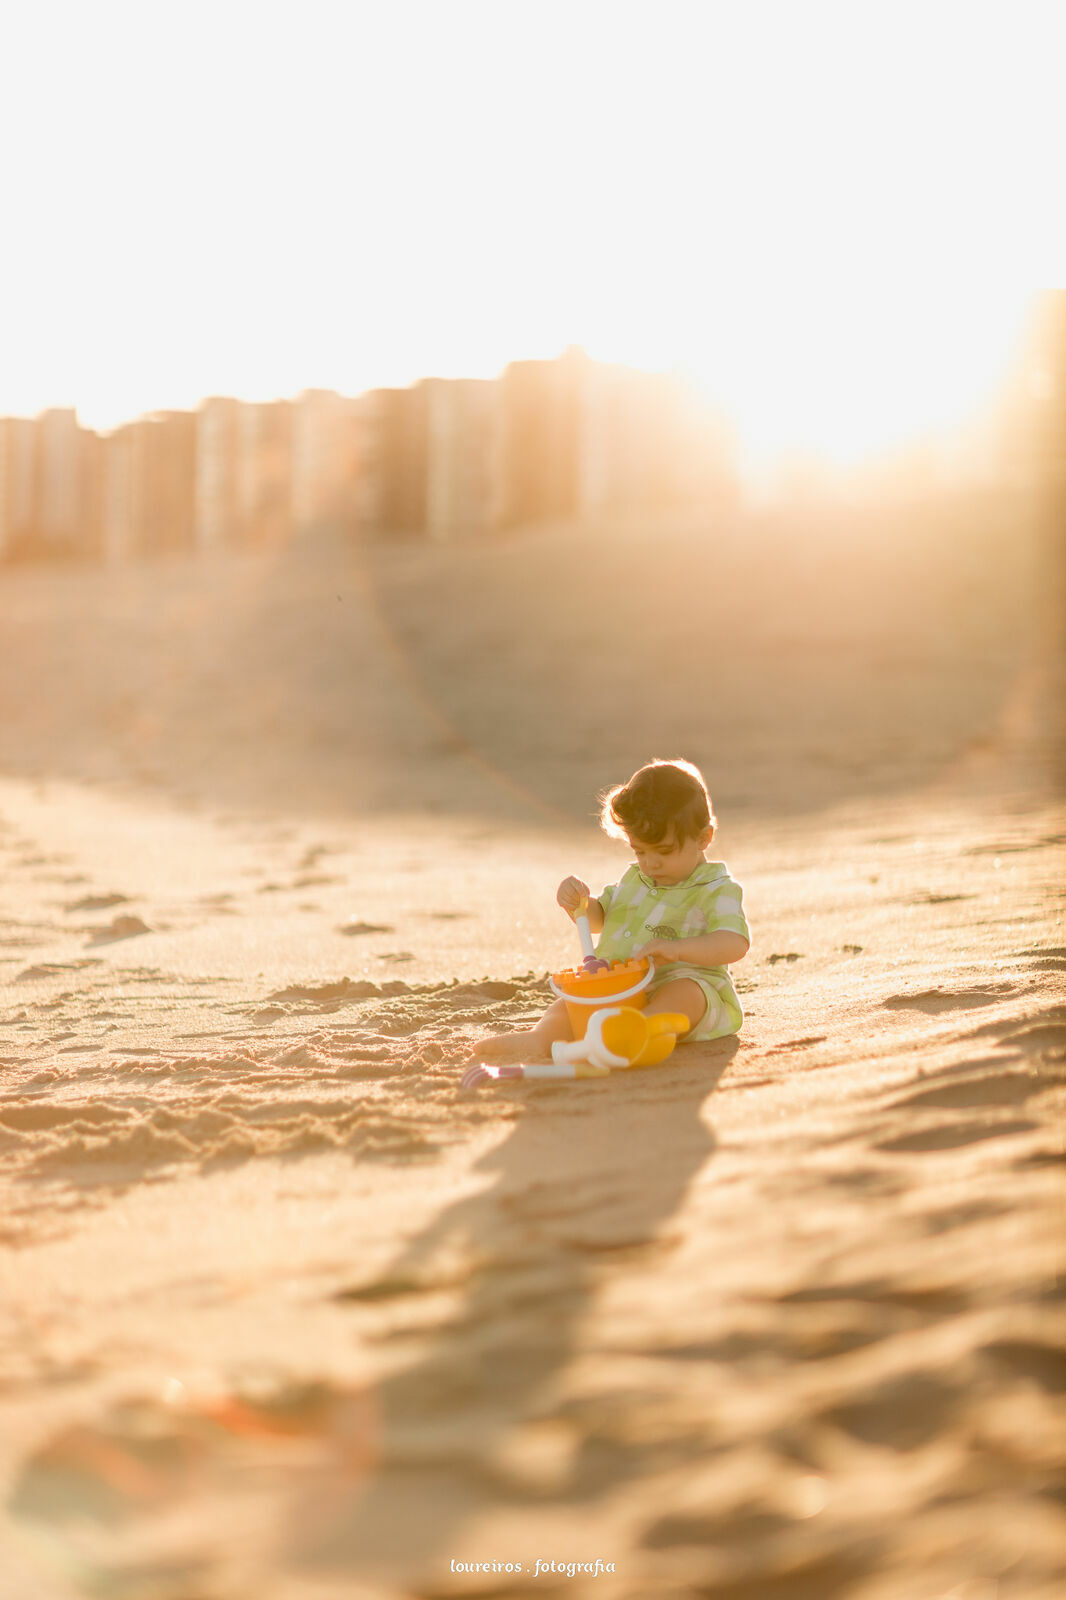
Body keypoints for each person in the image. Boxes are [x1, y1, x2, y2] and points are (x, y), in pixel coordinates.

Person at [469, 758, 750, 1063]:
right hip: (621, 989)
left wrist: (679, 949)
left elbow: (733, 942)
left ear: (703, 837)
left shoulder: (715, 887)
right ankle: (541, 1038)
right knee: (569, 1003)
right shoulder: (637, 879)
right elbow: (599, 918)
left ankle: (641, 1030)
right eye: (639, 851)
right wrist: (579, 904)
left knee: (687, 993)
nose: (650, 863)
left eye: (664, 851)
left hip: (682, 986)